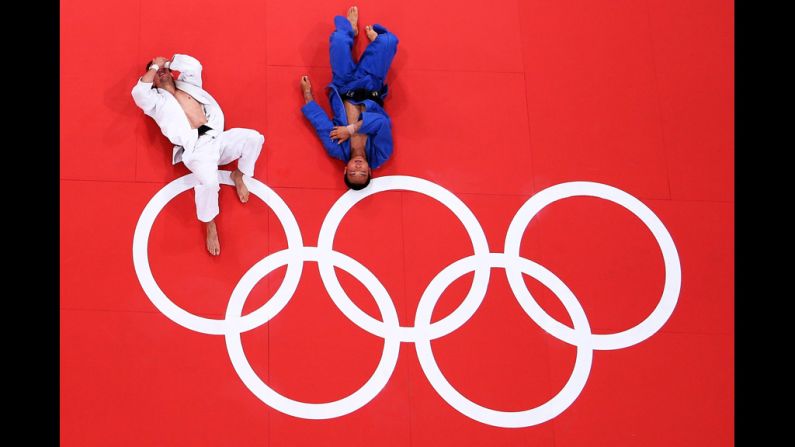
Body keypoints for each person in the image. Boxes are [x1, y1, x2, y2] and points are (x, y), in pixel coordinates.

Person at [132, 54, 265, 256]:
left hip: (216, 137)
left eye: (164, 70)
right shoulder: (156, 102)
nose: (162, 72)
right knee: (210, 184)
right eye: (157, 72)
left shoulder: (189, 85)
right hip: (196, 150)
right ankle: (209, 223)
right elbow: (138, 93)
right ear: (153, 80)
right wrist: (153, 67)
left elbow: (194, 65)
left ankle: (238, 174)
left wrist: (165, 63)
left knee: (254, 138)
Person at [300, 5, 399, 190]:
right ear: (370, 171)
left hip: (343, 85)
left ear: (346, 169)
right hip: (371, 85)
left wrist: (307, 95)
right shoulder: (381, 153)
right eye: (363, 172)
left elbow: (320, 124)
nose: (358, 168)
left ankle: (351, 32)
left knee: (338, 40)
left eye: (353, 172)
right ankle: (376, 44)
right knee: (389, 41)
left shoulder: (337, 148)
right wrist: (350, 130)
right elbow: (381, 122)